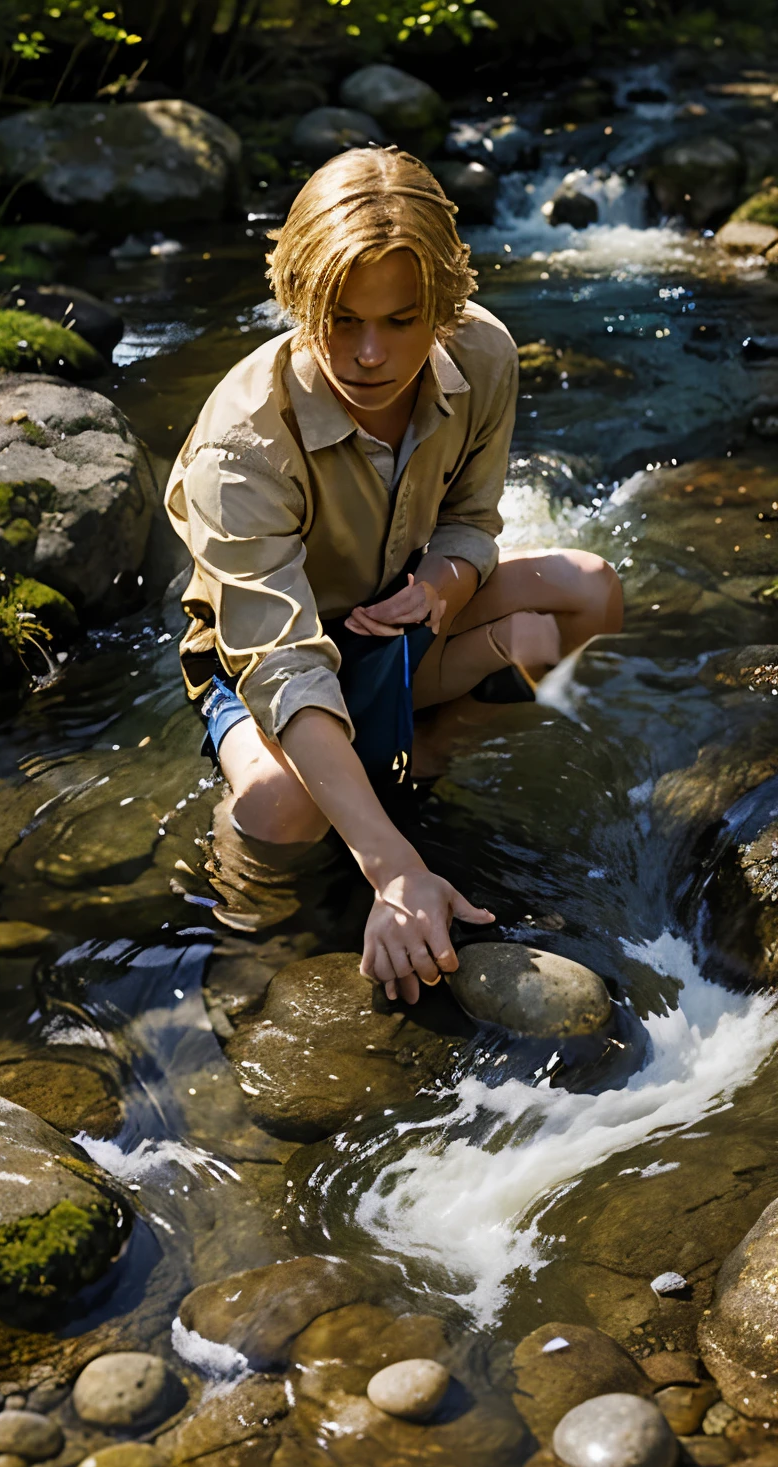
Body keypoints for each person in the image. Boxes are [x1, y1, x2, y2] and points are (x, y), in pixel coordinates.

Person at [165, 147, 623, 1004]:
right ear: (297, 296)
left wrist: (447, 580)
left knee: (590, 592)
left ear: (443, 308)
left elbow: (475, 520)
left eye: (402, 322)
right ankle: (239, 933)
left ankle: (430, 747)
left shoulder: (483, 354)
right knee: (280, 811)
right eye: (340, 319)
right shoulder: (241, 446)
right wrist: (396, 872)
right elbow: (284, 664)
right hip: (265, 647)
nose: (369, 354)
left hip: (406, 610)